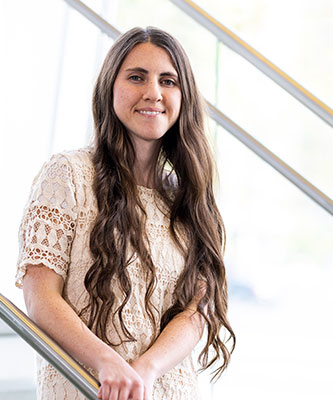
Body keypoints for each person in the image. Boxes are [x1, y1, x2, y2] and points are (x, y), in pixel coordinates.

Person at [16, 26, 235, 400]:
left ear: (183, 98)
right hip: (89, 387)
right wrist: (108, 363)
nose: (153, 92)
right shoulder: (68, 174)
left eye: (168, 80)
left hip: (166, 390)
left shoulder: (188, 197)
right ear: (110, 88)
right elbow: (41, 297)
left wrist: (145, 369)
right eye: (137, 77)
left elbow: (196, 311)